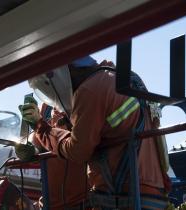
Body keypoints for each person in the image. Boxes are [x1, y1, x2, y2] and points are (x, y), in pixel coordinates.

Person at [18, 56, 171, 210]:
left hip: (123, 197)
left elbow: (77, 150)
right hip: (152, 193)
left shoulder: (90, 89)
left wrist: (41, 127)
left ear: (63, 74)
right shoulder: (122, 77)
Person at [15, 102, 88, 210]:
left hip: (82, 204)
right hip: (48, 205)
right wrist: (29, 149)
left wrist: (42, 127)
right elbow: (36, 141)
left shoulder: (84, 103)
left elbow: (75, 146)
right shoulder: (46, 107)